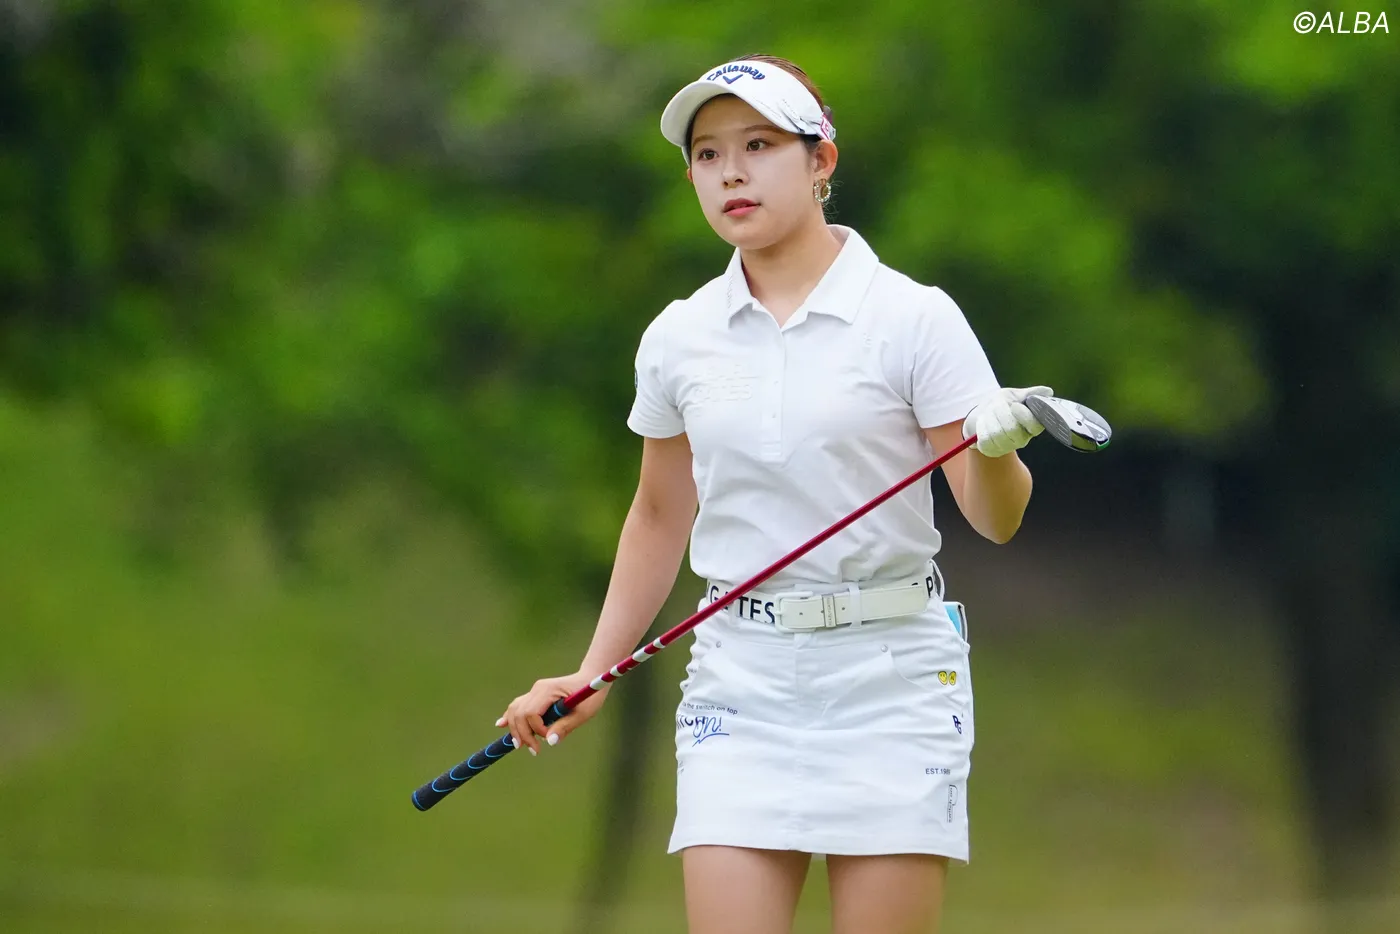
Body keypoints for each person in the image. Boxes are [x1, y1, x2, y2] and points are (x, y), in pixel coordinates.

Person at [498, 53, 1052, 934]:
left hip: (893, 678)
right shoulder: (679, 337)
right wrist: (595, 669)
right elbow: (659, 513)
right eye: (708, 155)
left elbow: (997, 518)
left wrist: (996, 451)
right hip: (740, 682)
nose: (731, 173)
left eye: (758, 146)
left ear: (820, 160)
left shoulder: (914, 318)